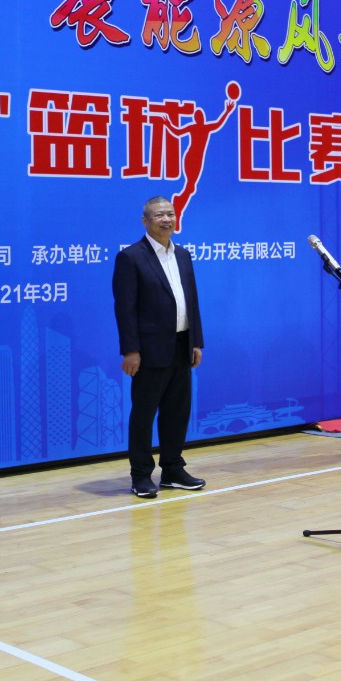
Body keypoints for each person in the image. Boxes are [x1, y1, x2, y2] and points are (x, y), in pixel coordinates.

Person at [112, 196, 206, 498]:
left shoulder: (183, 255)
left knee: (178, 412)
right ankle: (140, 475)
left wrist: (196, 341)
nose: (166, 220)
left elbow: (191, 301)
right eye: (159, 215)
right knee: (144, 414)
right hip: (149, 350)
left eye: (170, 214)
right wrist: (131, 350)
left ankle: (173, 469)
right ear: (145, 221)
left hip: (181, 345)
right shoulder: (131, 257)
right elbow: (125, 309)